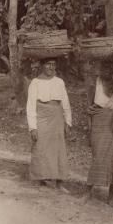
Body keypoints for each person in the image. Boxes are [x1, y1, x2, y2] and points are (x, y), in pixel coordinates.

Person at [26, 58, 72, 192]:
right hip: (42, 117)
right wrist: (32, 127)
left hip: (57, 118)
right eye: (48, 65)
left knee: (58, 149)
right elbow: (30, 106)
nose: (51, 67)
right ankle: (41, 179)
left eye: (53, 65)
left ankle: (59, 182)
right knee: (40, 146)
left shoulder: (59, 82)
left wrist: (68, 121)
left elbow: (65, 103)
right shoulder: (35, 83)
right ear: (41, 66)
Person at [83, 61, 113, 204]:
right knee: (98, 157)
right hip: (99, 125)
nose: (107, 69)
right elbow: (89, 110)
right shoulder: (95, 84)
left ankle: (110, 195)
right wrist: (89, 130)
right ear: (98, 69)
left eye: (110, 67)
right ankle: (88, 191)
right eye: (104, 66)